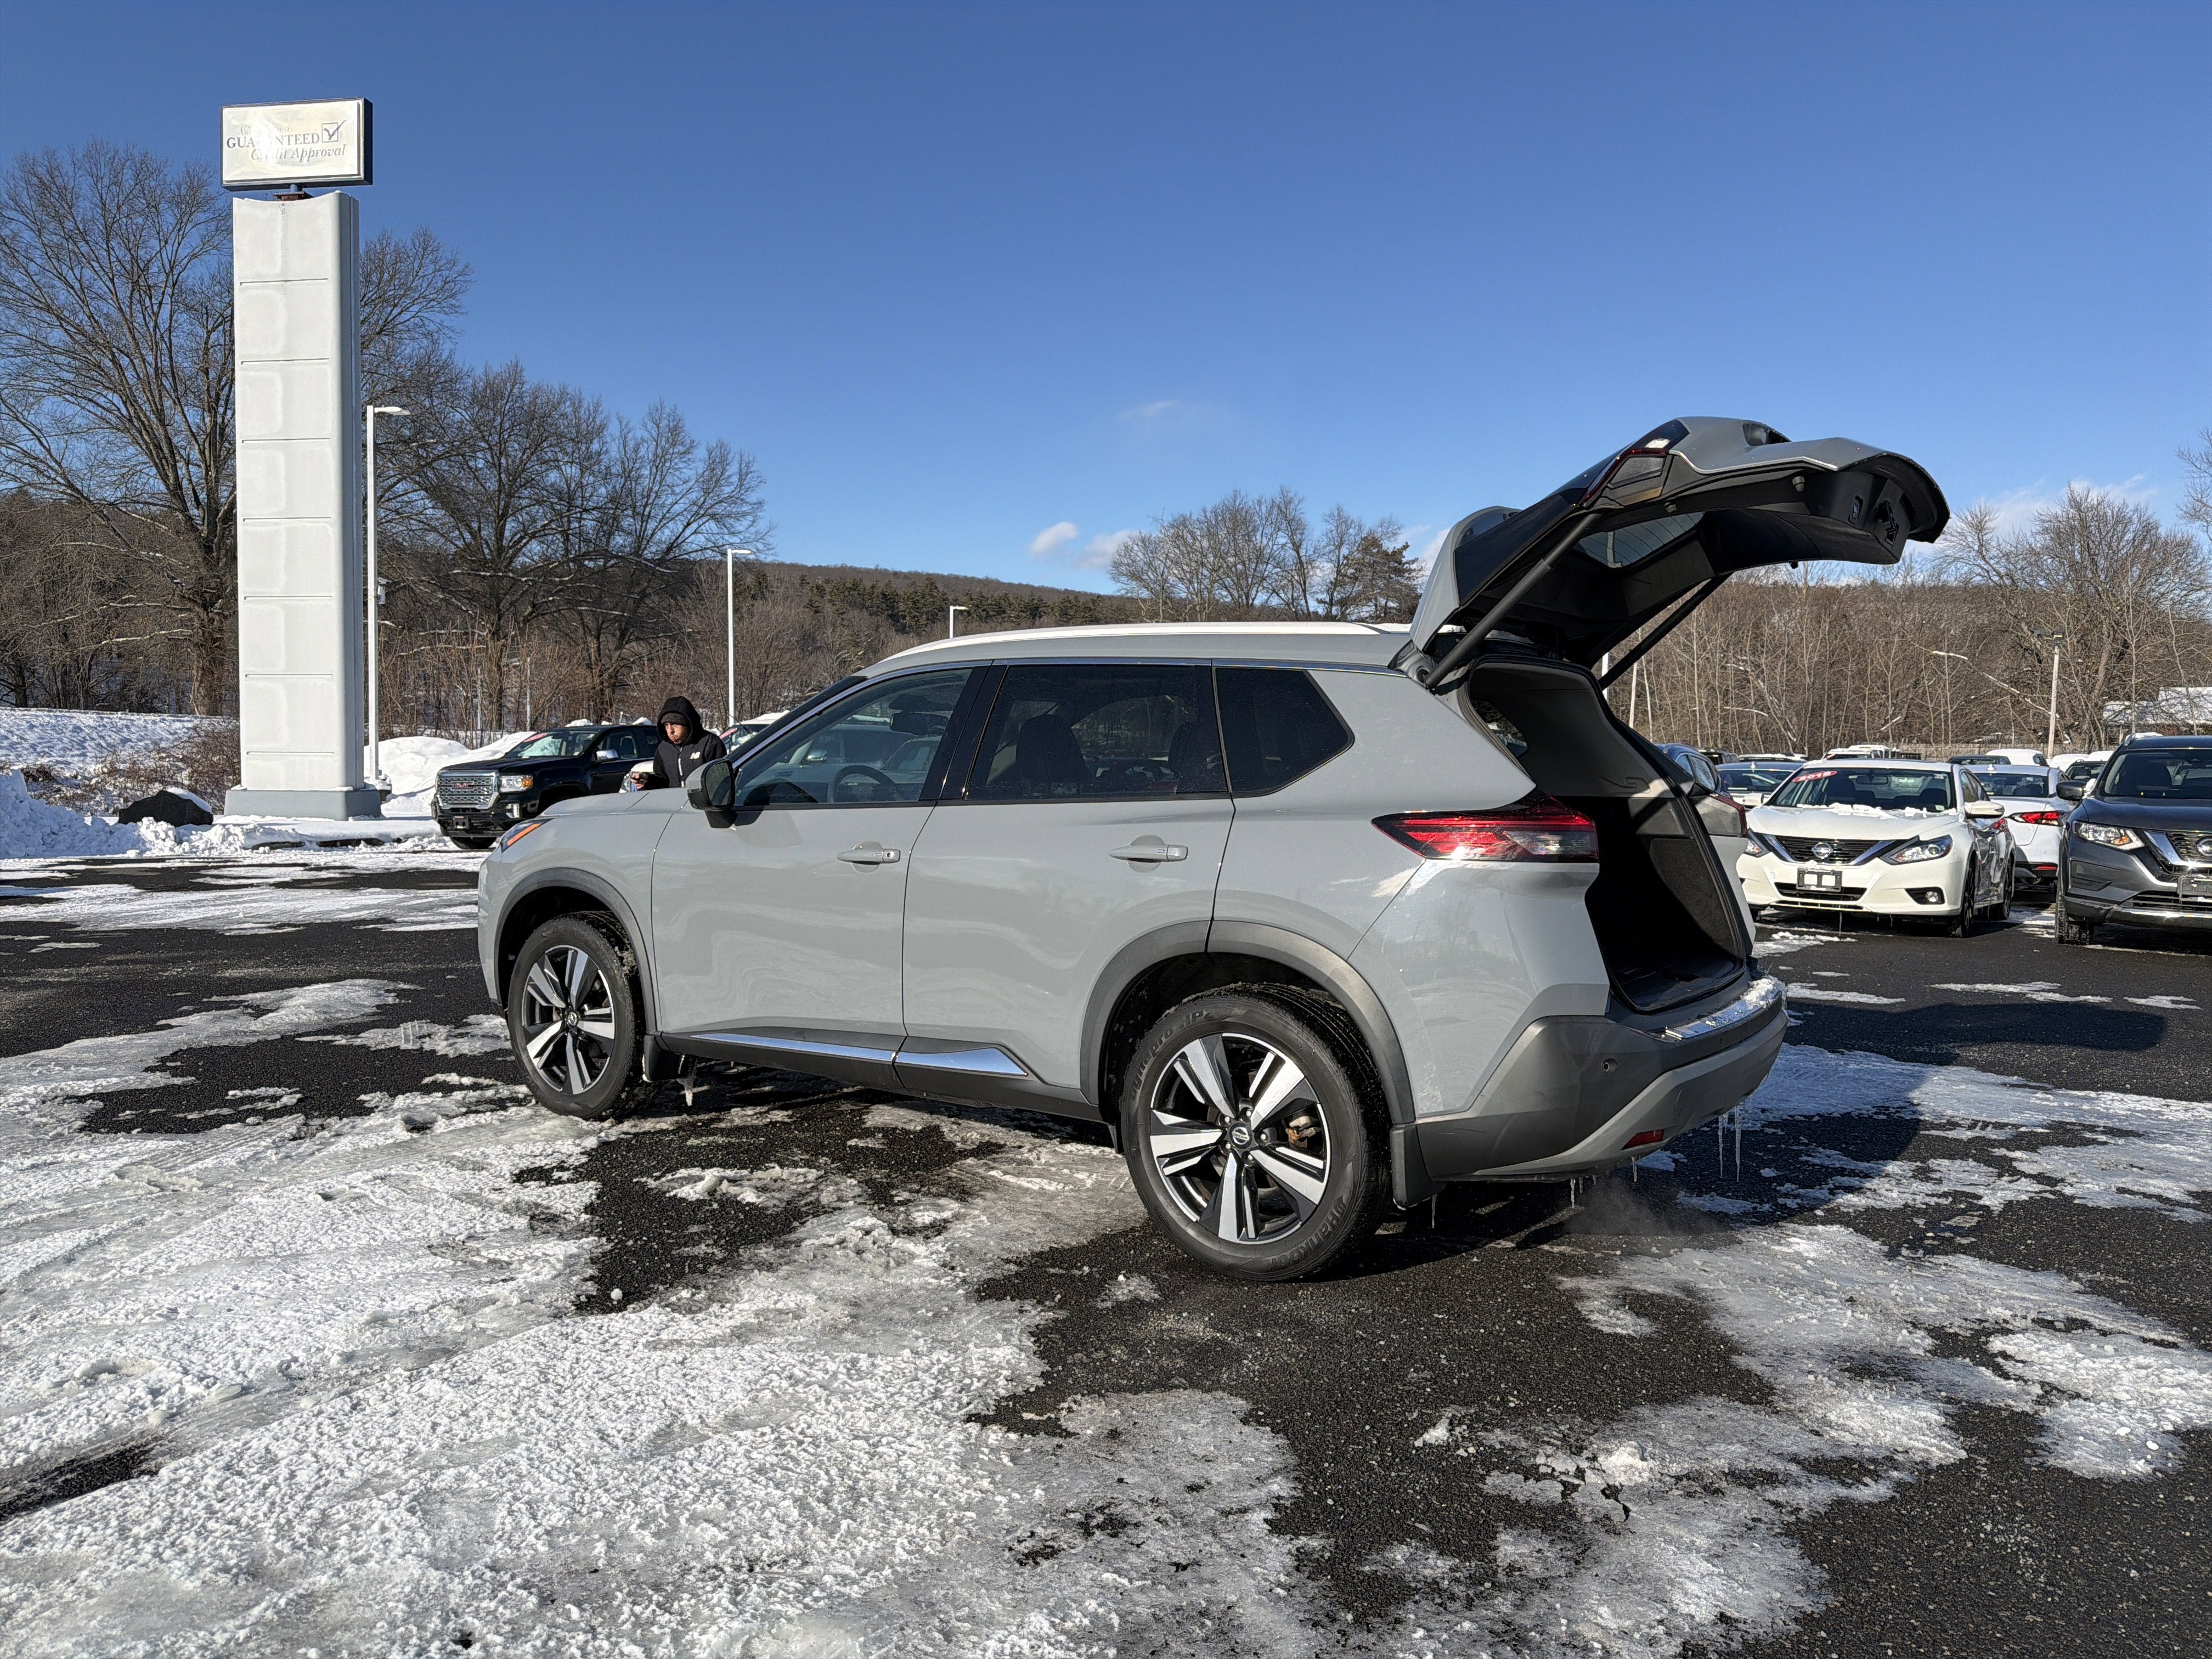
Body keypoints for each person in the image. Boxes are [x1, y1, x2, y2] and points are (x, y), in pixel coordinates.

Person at [651, 695, 726, 789]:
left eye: (675, 724)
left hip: (702, 802)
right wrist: (647, 782)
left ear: (688, 725)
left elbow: (720, 781)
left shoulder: (709, 743)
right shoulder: (664, 748)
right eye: (666, 725)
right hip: (674, 801)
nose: (670, 731)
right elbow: (663, 781)